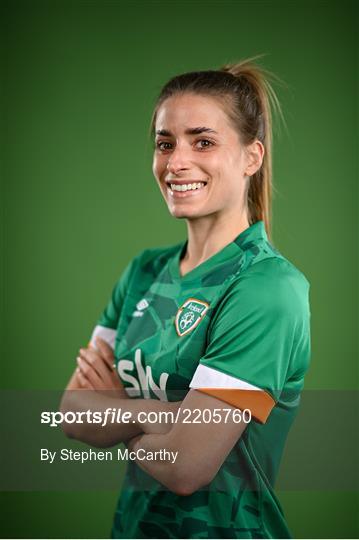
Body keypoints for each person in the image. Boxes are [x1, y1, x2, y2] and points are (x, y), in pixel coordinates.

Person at [60, 55, 311, 539]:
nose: (176, 162)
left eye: (203, 142)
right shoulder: (144, 271)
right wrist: (176, 419)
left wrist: (115, 408)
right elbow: (72, 413)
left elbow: (185, 466)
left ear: (251, 157)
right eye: (164, 143)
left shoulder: (265, 288)